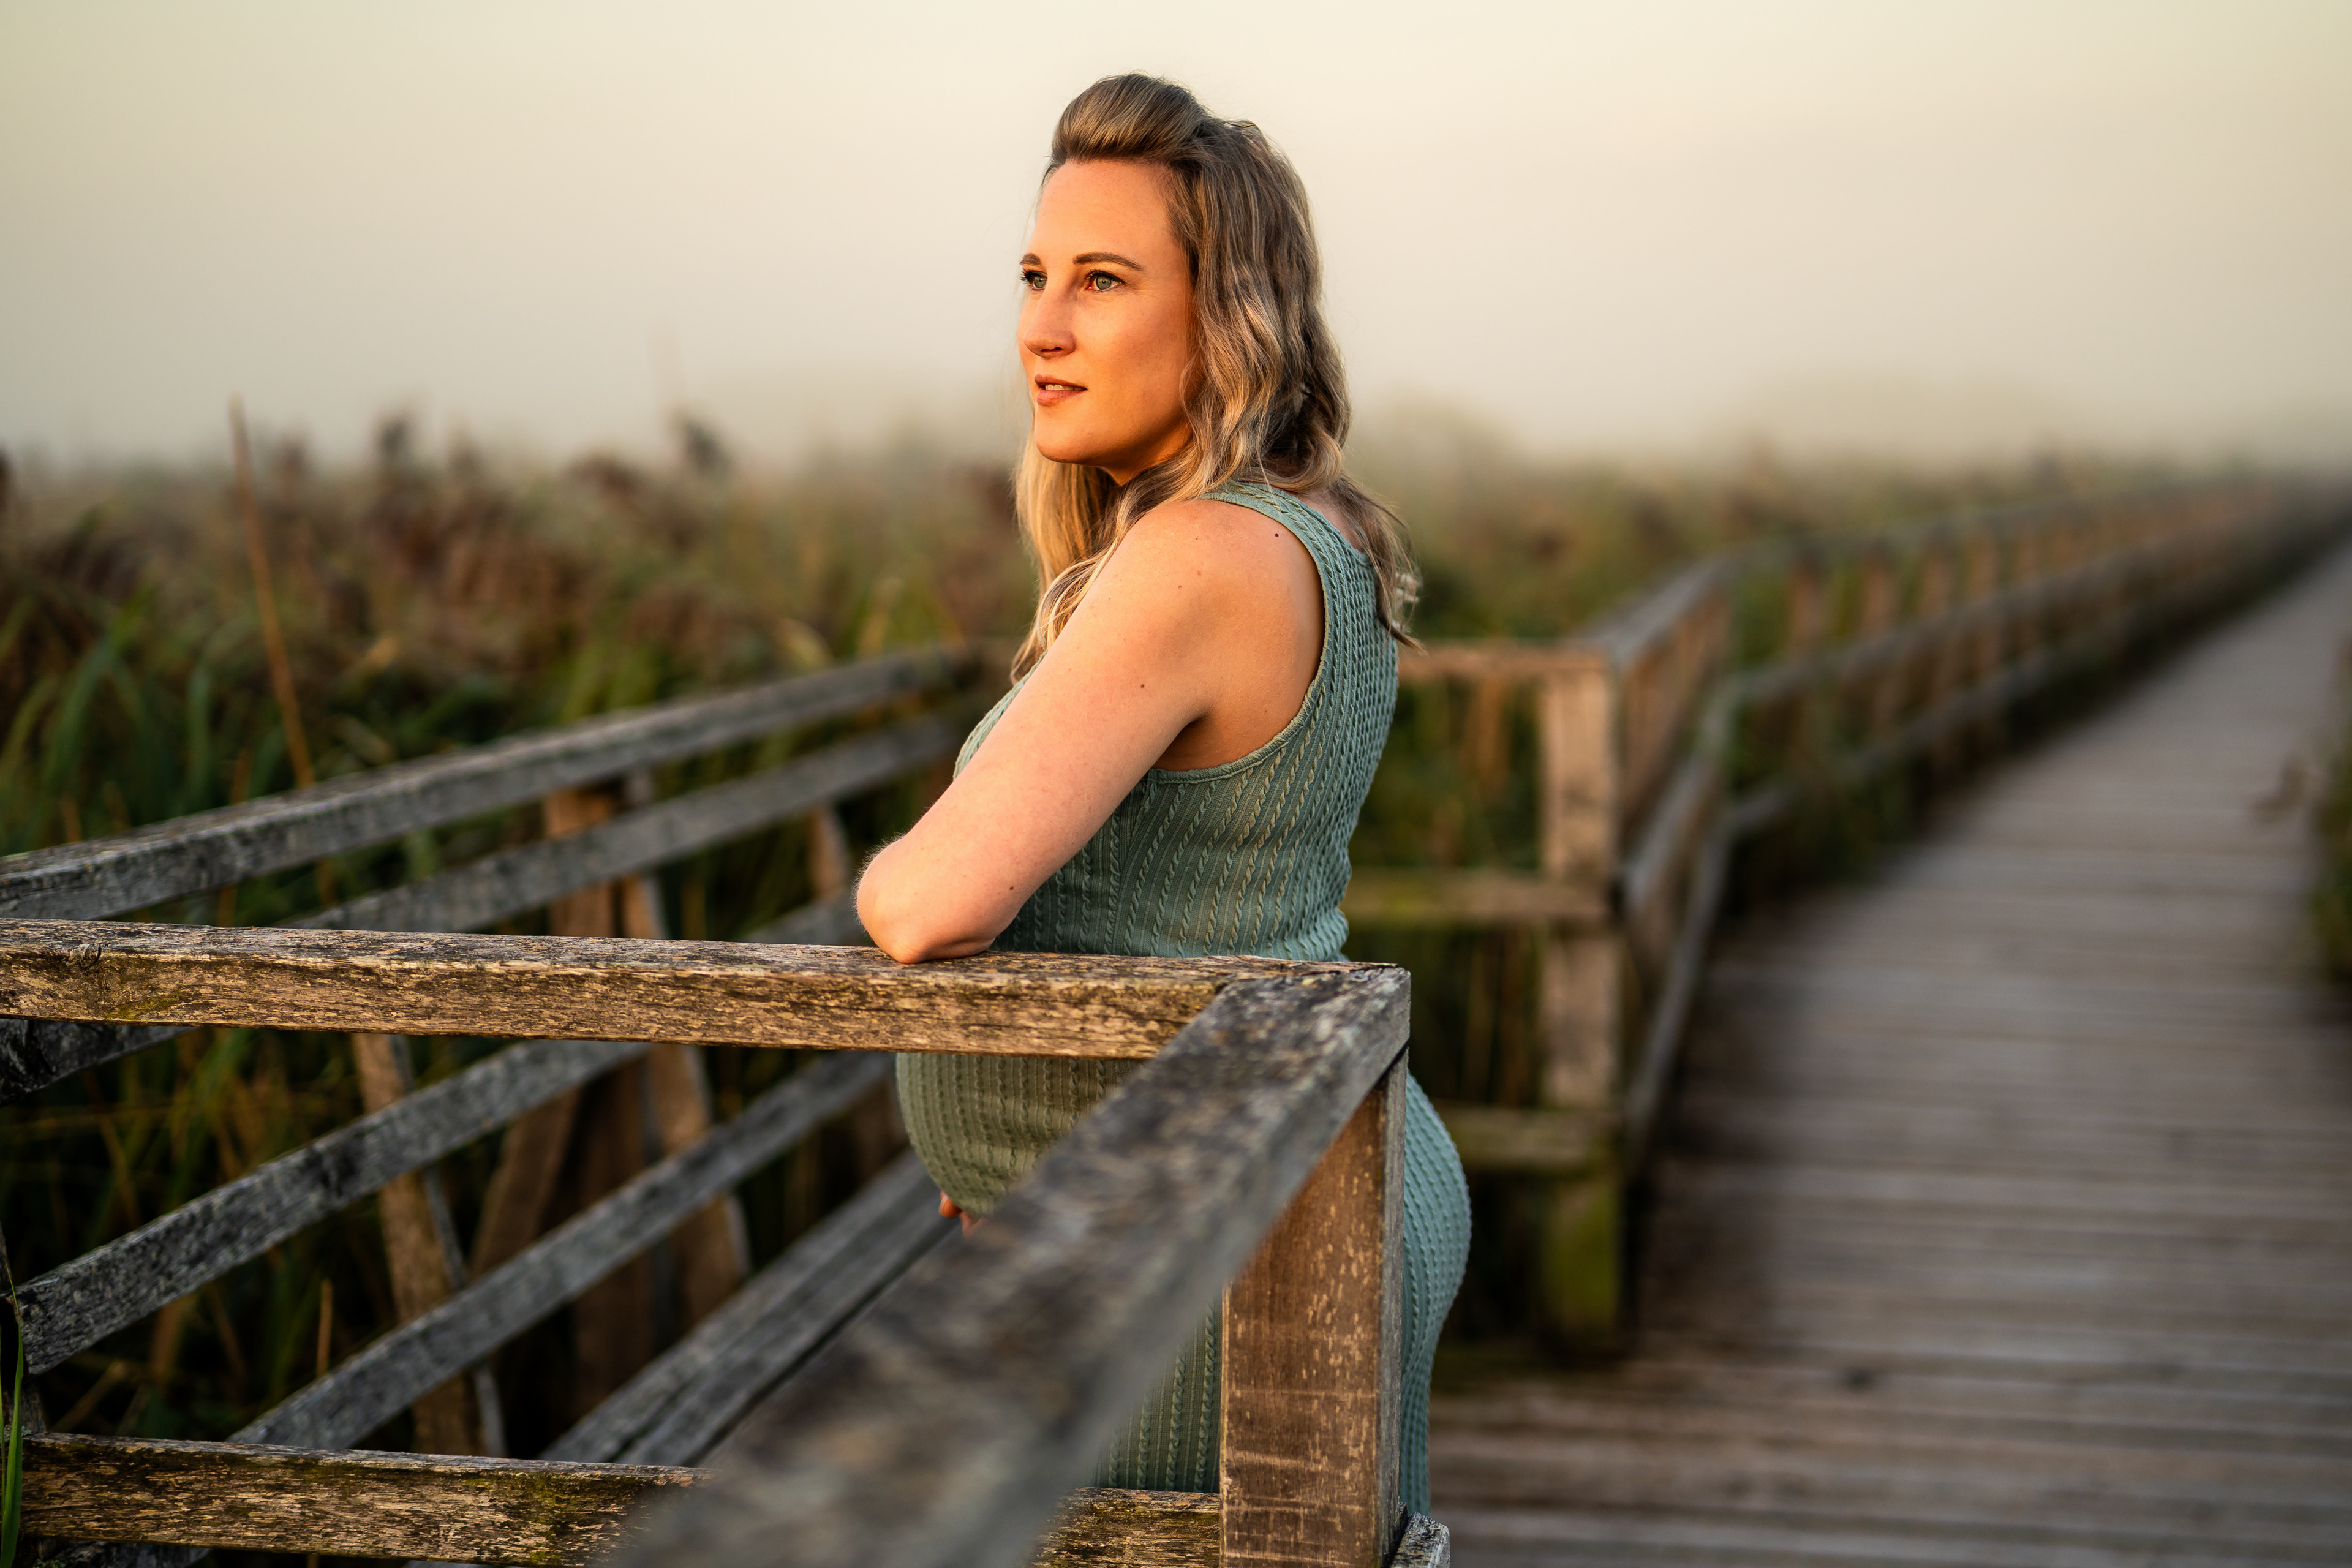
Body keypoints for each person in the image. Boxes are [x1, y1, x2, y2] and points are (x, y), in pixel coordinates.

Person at [856, 72, 1470, 1513]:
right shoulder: (1305, 530)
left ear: (1225, 312)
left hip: (1203, 1253)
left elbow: (927, 903)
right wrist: (1006, 1129)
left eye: (1105, 280)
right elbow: (1209, 905)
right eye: (1033, 275)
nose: (1043, 327)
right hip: (1258, 1191)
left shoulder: (1201, 557)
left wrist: (887, 882)